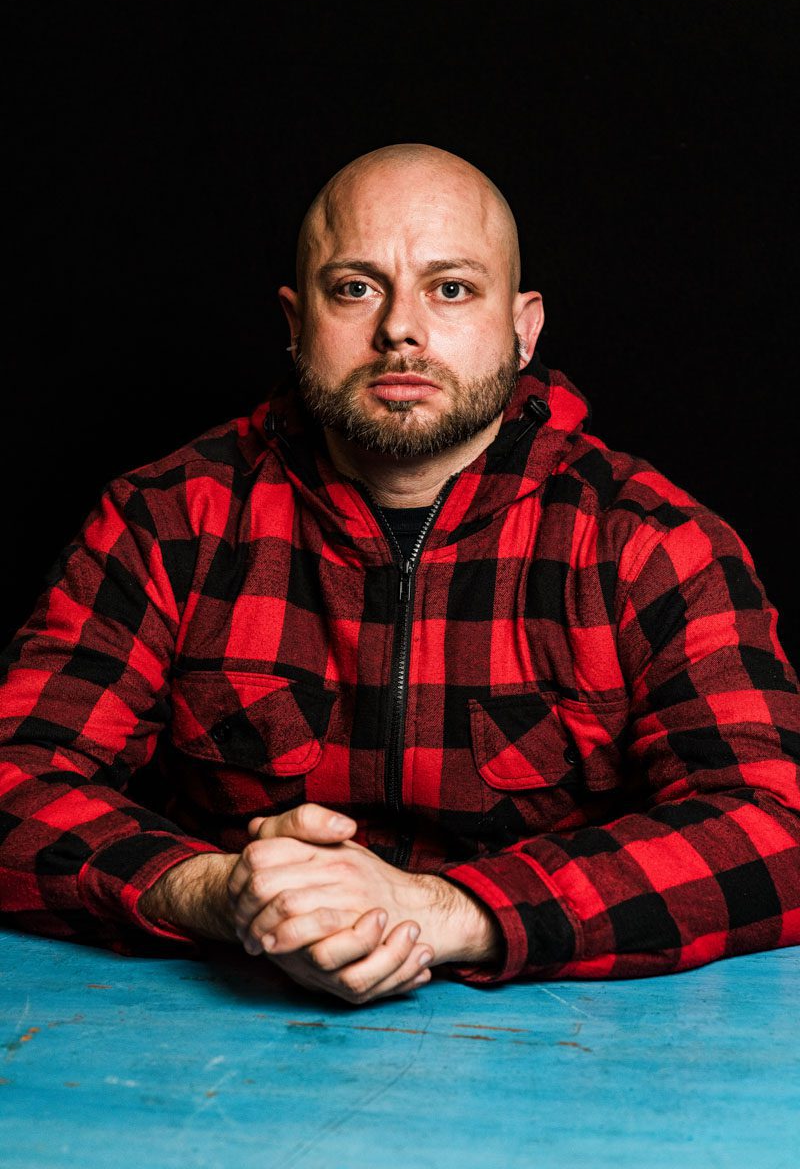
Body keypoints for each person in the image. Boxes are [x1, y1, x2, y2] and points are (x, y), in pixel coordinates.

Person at [2, 145, 799, 1007]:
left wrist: (447, 911)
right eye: (356, 288)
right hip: (212, 1045)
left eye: (450, 288)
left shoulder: (647, 541)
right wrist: (222, 894)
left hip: (555, 1054)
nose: (400, 330)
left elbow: (774, 826)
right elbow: (16, 778)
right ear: (296, 318)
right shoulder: (168, 520)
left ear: (524, 327)